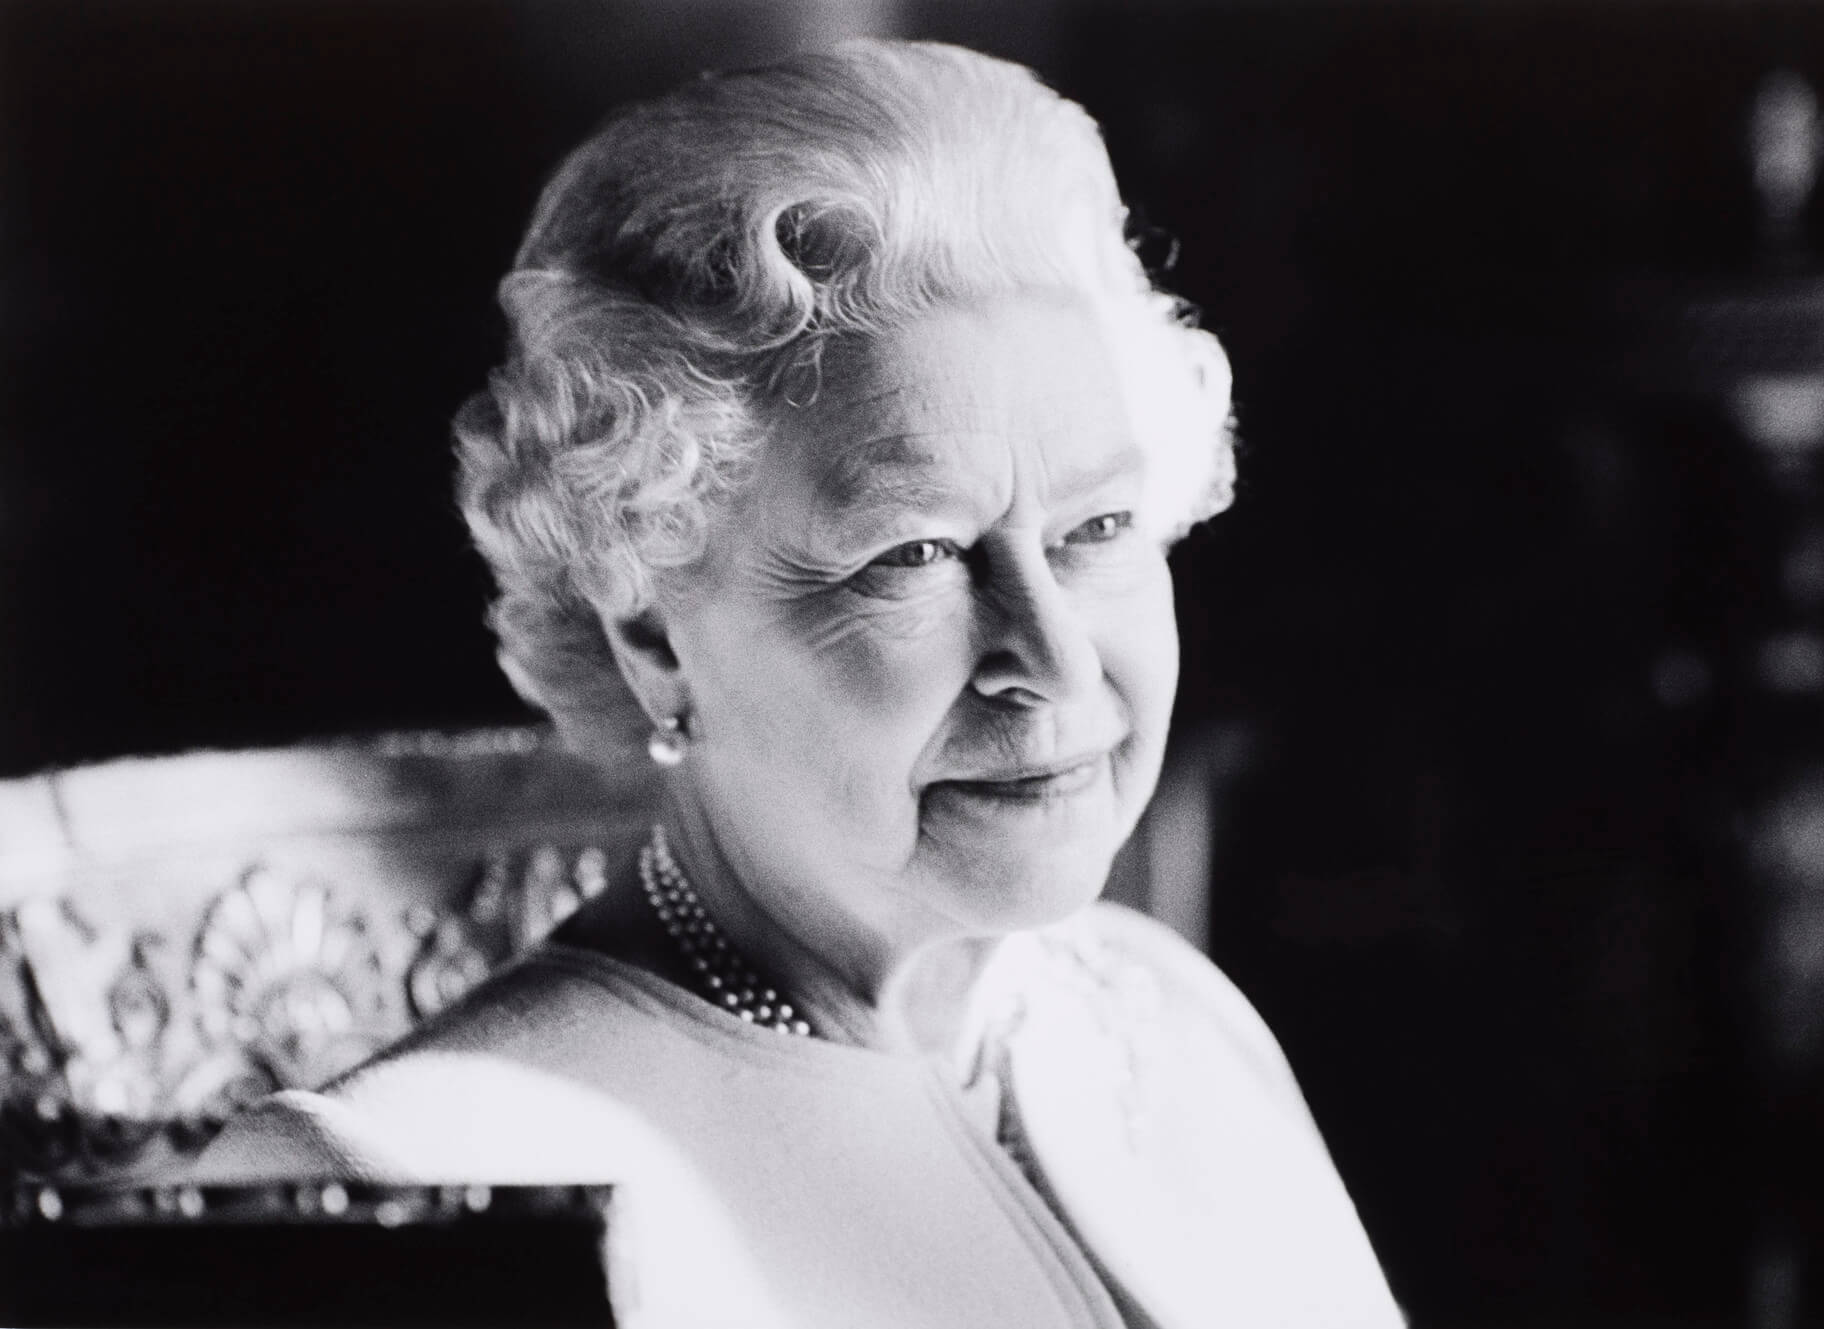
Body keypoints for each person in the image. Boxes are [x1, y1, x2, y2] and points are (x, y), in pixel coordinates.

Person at [193, 39, 1402, 1327]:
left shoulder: (1169, 1017)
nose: (1049, 661)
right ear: (650, 634)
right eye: (917, 554)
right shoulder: (419, 1189)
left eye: (1095, 532)